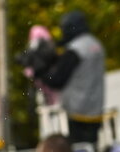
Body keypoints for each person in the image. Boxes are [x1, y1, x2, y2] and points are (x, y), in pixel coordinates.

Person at [37, 10, 105, 144]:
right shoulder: (96, 45)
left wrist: (39, 71)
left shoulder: (76, 49)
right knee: (91, 150)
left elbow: (56, 80)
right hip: (95, 113)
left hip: (77, 114)